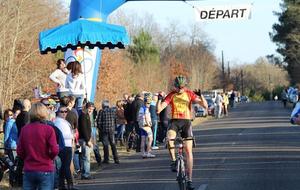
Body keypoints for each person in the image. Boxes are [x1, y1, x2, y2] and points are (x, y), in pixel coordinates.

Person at [157, 75, 208, 190]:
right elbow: (159, 109)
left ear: (185, 86)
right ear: (175, 86)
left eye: (182, 87)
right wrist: (160, 99)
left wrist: (201, 96)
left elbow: (205, 105)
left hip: (186, 122)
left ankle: (189, 180)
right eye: (178, 87)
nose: (180, 89)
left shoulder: (189, 93)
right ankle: (174, 161)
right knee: (169, 139)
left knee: (189, 151)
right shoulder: (171, 95)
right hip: (174, 122)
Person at [17, 103, 59, 190]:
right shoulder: (48, 129)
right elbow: (54, 149)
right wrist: (50, 157)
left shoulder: (25, 129)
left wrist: (27, 158)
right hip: (45, 168)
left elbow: (19, 150)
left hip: (29, 168)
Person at [54, 106, 78, 190]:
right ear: (58, 112)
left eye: (65, 111)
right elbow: (60, 135)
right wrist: (72, 135)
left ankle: (62, 186)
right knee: (65, 167)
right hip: (64, 147)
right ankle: (69, 185)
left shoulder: (64, 121)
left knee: (64, 167)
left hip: (68, 145)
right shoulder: (57, 122)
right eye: (62, 112)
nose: (64, 113)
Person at [97, 100, 119, 164]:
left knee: (105, 145)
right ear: (108, 105)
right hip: (111, 130)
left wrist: (100, 129)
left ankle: (106, 159)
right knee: (113, 144)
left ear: (103, 105)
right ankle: (116, 159)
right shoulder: (113, 111)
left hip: (104, 131)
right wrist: (114, 128)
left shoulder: (101, 111)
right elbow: (115, 120)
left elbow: (98, 122)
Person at [78, 102, 94, 180]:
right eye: (90, 108)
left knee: (83, 157)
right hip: (84, 140)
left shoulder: (87, 115)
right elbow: (84, 129)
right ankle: (86, 174)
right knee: (86, 157)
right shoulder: (83, 116)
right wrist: (88, 140)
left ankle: (84, 173)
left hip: (85, 139)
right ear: (86, 108)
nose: (91, 110)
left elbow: (88, 129)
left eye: (92, 109)